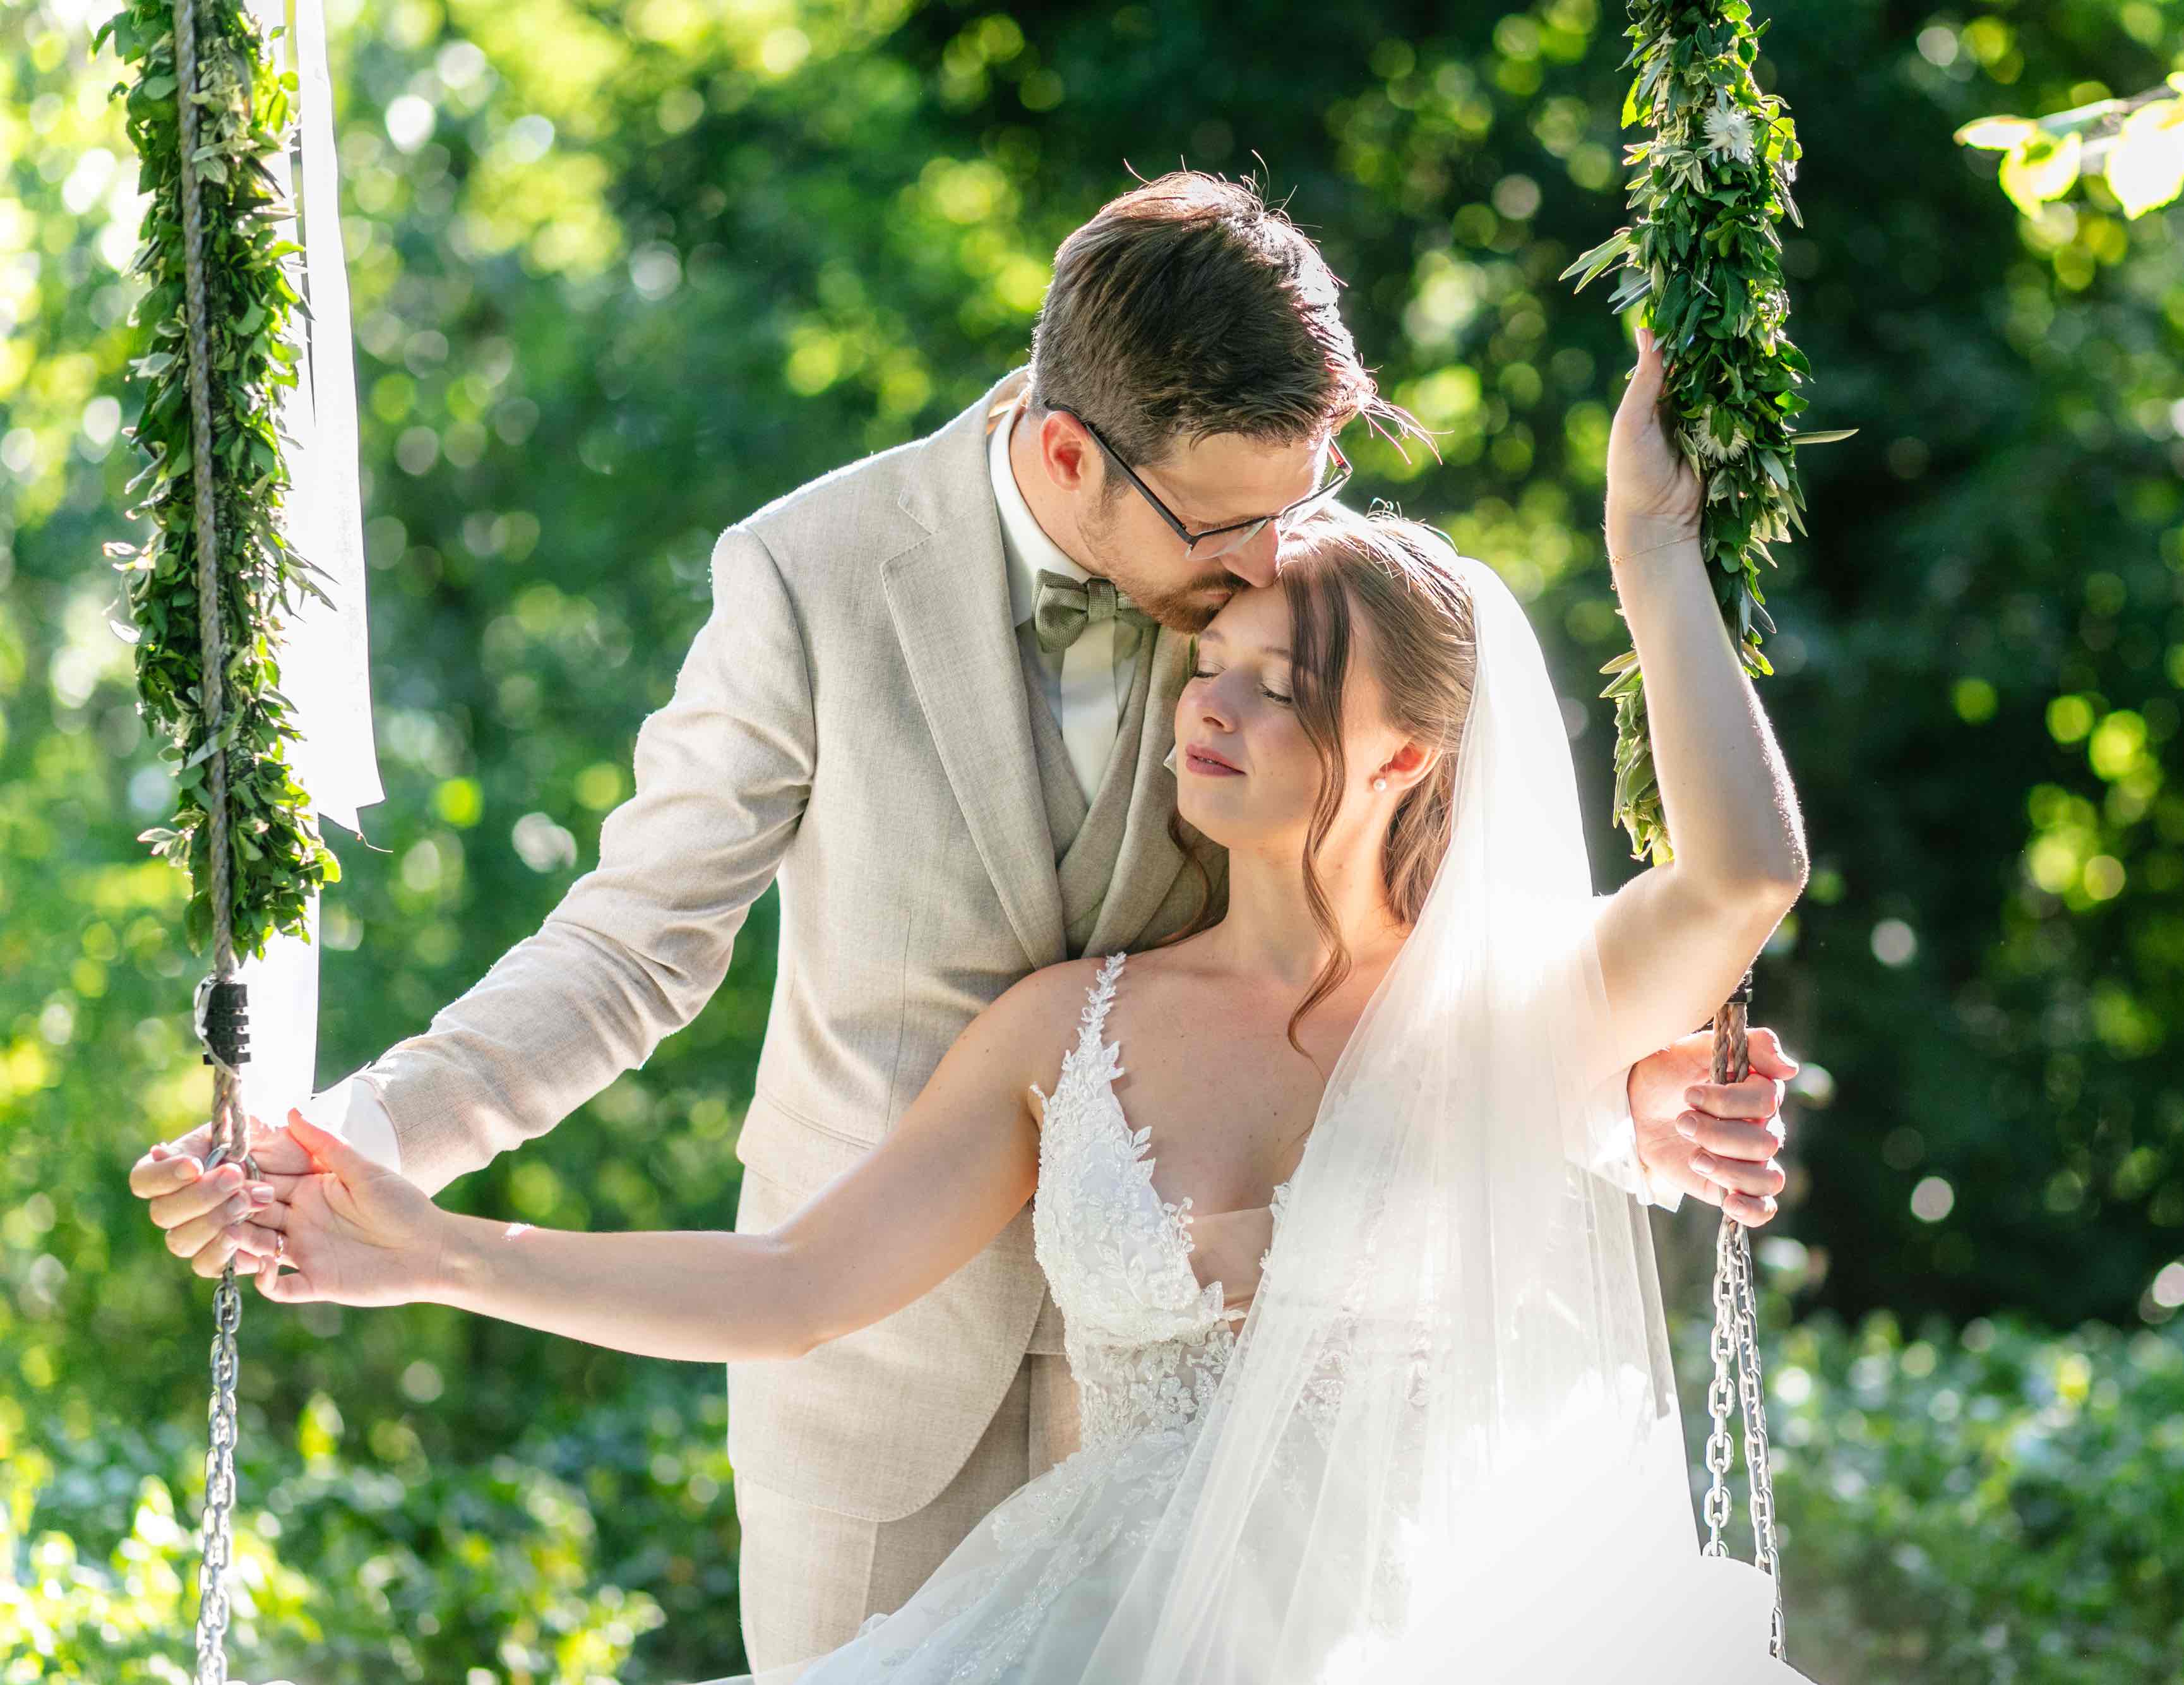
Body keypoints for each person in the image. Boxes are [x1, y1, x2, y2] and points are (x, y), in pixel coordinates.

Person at [128, 172, 1799, 1674]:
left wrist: (1623, 1088)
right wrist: (357, 1149)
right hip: (878, 1419)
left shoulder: (1284, 596)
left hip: (1297, 1514)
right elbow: (630, 950)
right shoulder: (810, 580)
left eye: (1305, 501)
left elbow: (1417, 984)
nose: (1272, 559)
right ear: (1075, 455)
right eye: (1229, 533)